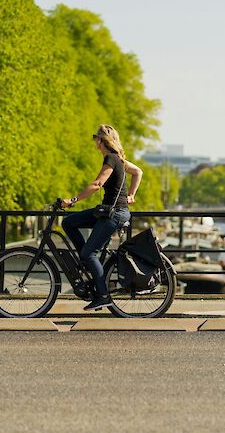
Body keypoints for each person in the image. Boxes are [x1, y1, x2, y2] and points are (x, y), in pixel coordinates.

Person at [60, 124, 143, 311]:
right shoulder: (119, 160)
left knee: (89, 253)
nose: (94, 142)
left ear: (101, 141)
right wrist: (131, 195)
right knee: (69, 222)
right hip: (109, 210)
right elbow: (138, 172)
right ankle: (86, 261)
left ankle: (103, 295)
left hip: (115, 213)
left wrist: (72, 200)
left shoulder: (112, 159)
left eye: (95, 138)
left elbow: (97, 184)